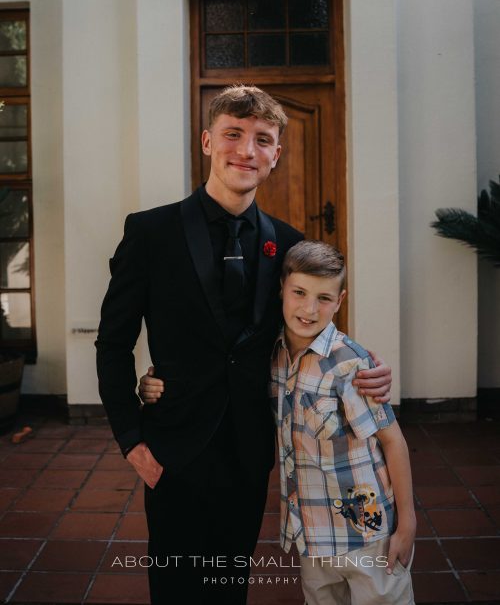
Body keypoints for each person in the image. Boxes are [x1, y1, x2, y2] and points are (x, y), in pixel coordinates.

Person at [96, 85, 392, 605]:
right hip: (173, 446)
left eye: (263, 139)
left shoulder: (289, 243)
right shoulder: (150, 231)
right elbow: (112, 342)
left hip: (250, 449)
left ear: (276, 154)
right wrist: (131, 440)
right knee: (175, 586)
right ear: (208, 141)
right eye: (233, 134)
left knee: (230, 585)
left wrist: (367, 367)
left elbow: (312, 330)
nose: (246, 150)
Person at [273, 240, 415, 604]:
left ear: (340, 300)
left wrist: (408, 523)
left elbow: (392, 441)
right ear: (282, 289)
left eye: (324, 298)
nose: (309, 309)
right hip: (311, 532)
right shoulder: (273, 357)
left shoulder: (349, 363)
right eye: (299, 293)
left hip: (366, 531)